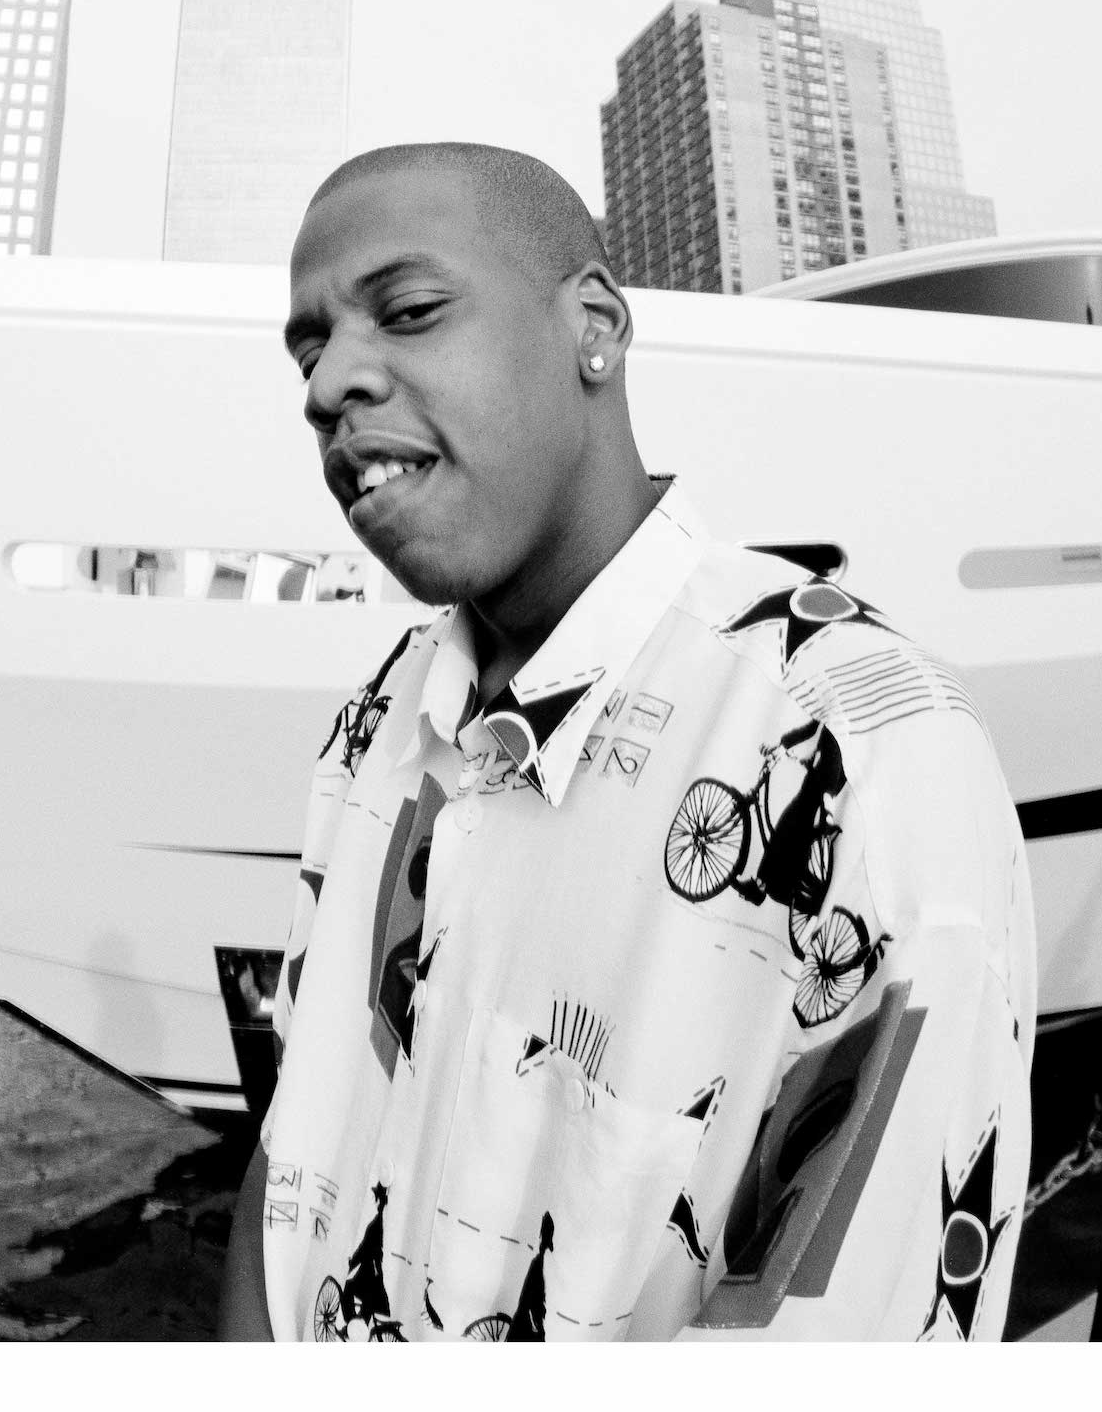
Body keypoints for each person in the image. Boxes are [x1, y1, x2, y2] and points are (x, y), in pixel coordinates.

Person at [220, 143, 1036, 1343]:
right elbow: (295, 1145)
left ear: (594, 327)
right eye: (309, 348)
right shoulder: (378, 719)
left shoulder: (862, 749)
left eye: (408, 312)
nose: (328, 383)